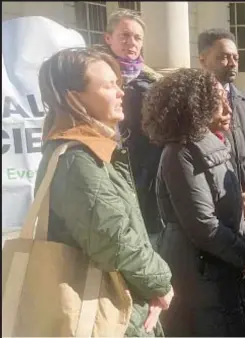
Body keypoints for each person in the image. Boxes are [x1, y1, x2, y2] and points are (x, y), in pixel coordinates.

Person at [35, 47, 173, 337]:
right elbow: (113, 238)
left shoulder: (93, 149)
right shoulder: (76, 158)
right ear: (74, 98)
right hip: (106, 311)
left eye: (118, 84)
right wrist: (160, 283)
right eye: (109, 86)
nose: (121, 92)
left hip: (118, 304)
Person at [142, 68, 245, 336]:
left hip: (220, 266)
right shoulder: (179, 153)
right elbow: (203, 225)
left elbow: (231, 211)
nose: (227, 107)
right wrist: (243, 255)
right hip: (197, 273)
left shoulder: (217, 144)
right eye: (216, 101)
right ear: (194, 107)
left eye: (225, 99)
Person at [198, 28, 245, 336]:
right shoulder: (194, 105)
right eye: (223, 57)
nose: (231, 62)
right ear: (203, 59)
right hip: (219, 223)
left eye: (235, 56)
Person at [97, 9, 164, 245]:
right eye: (124, 36)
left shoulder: (153, 83)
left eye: (137, 38)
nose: (131, 43)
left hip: (146, 176)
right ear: (108, 38)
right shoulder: (91, 78)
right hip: (106, 170)